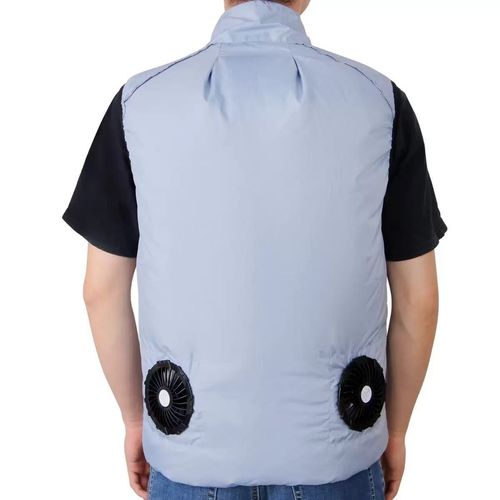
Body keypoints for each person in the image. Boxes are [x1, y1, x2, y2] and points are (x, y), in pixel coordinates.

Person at [62, 0, 447, 499]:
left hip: (189, 457)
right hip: (337, 460)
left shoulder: (140, 103)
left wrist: (136, 421)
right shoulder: (379, 102)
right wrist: (395, 431)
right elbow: (419, 300)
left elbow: (100, 292)